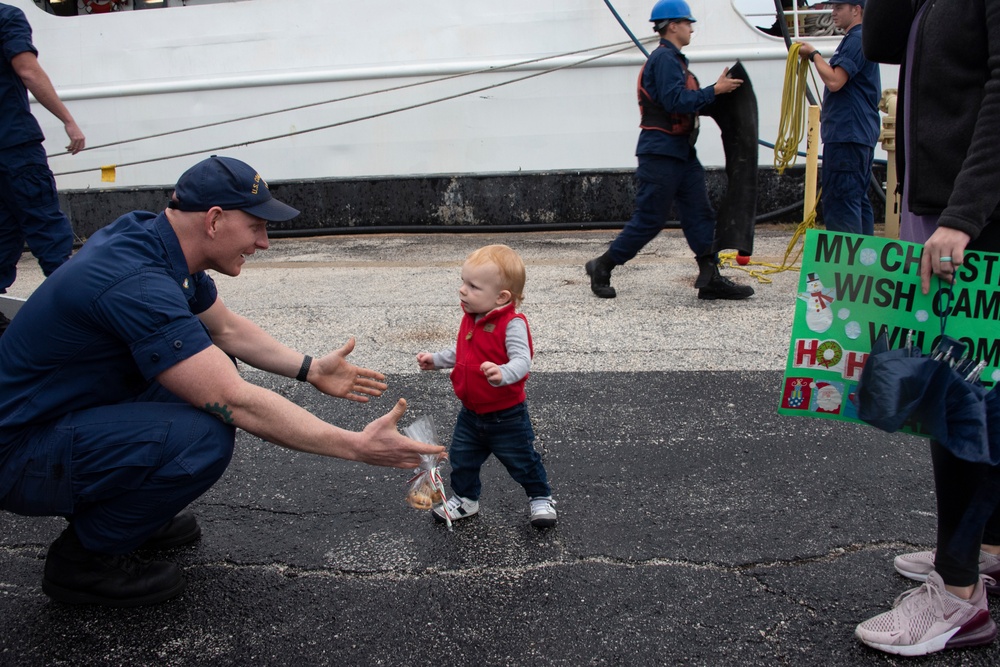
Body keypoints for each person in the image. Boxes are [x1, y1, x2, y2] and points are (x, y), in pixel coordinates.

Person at [0, 155, 446, 607]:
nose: (264, 242)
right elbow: (236, 401)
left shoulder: (153, 239)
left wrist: (310, 368)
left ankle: (130, 514)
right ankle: (83, 562)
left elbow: (225, 328)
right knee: (205, 434)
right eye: (256, 226)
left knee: (216, 360)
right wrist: (355, 445)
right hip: (17, 453)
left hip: (54, 419)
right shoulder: (138, 283)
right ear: (214, 220)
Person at [853, 0, 1000, 656]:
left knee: (965, 398)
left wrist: (964, 214)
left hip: (975, 212)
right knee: (973, 395)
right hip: (942, 202)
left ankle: (960, 590)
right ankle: (982, 547)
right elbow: (884, 40)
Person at [584, 0, 754, 301]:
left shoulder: (675, 60)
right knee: (650, 218)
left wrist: (719, 93)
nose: (691, 27)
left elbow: (686, 100)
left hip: (681, 152)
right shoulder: (663, 60)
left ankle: (710, 276)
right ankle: (602, 265)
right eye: (687, 22)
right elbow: (675, 101)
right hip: (660, 153)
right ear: (672, 25)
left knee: (700, 214)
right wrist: (715, 90)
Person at [416, 244, 556, 528]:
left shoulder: (512, 323)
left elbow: (522, 360)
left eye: (473, 286)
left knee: (522, 460)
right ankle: (467, 499)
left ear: (501, 297)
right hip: (470, 414)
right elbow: (461, 353)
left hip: (506, 415)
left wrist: (503, 373)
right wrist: (437, 360)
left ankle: (540, 497)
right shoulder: (471, 319)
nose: (462, 290)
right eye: (463, 282)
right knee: (462, 458)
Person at [0, 2, 86, 336]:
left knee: (4, 233)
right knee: (48, 230)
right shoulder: (7, 17)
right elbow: (27, 70)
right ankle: (83, 316)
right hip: (14, 146)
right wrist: (68, 121)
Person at [795, 1, 881, 236]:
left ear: (856, 10)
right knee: (857, 200)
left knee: (841, 202)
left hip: (847, 135)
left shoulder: (855, 39)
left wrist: (813, 54)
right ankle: (864, 264)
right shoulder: (862, 39)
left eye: (839, 7)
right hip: (857, 134)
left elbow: (835, 81)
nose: (833, 12)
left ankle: (846, 268)